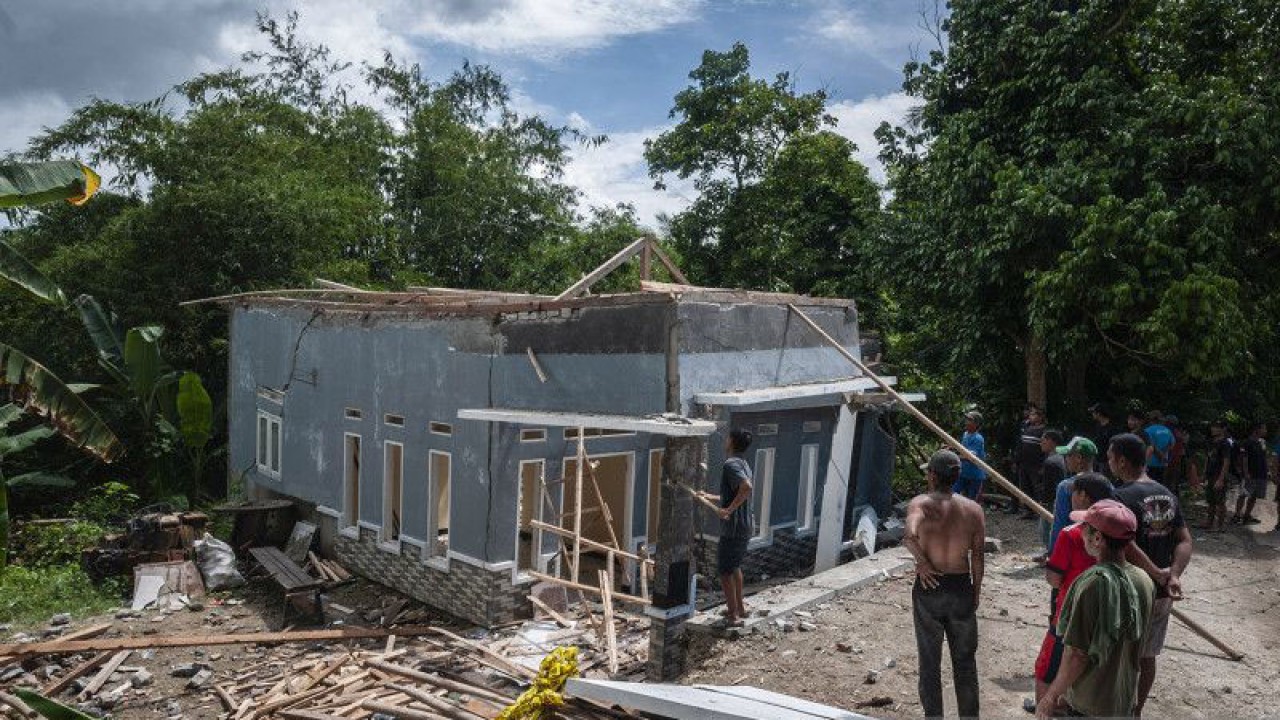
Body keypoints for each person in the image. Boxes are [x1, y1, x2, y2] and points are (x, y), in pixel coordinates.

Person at [1035, 499, 1155, 719]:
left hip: (1090, 704)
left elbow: (1076, 655)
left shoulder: (1092, 583)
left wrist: (1050, 697)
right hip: (1123, 702)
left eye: (1084, 529)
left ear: (1097, 538)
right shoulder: (1144, 580)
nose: (1080, 533)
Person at [1108, 433, 1194, 717]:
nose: (1109, 463)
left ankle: (1114, 708)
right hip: (1161, 593)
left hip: (1131, 590)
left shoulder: (1120, 496)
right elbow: (1184, 540)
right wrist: (1174, 575)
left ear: (1121, 461)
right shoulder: (1166, 494)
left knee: (1118, 655)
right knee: (1148, 655)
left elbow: (1124, 543)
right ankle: (1136, 711)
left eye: (1110, 458)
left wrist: (1158, 573)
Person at [904, 450, 985, 720]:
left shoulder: (921, 504)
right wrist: (976, 590)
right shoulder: (973, 509)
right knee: (965, 663)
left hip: (930, 586)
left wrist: (922, 563)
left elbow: (909, 535)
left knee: (929, 662)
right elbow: (977, 556)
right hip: (961, 585)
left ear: (933, 476)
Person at [1032, 473, 1114, 708]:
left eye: (1074, 493)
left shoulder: (1072, 533)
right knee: (1086, 671)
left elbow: (1054, 579)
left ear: (1083, 496)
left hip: (1069, 614)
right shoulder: (1119, 533)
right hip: (1104, 615)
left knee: (1047, 669)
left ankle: (1046, 709)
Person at [700, 429, 754, 628]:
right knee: (734, 567)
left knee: (724, 571)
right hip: (744, 526)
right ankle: (739, 608)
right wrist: (711, 497)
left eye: (727, 438)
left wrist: (728, 510)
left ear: (731, 441)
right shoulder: (743, 464)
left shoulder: (730, 464)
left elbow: (746, 488)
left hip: (733, 528)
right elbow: (735, 493)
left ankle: (733, 616)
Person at [1048, 436, 1099, 555]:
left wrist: (1053, 553)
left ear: (1079, 458)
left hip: (1073, 546)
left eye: (1068, 455)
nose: (1065, 459)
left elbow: (1060, 522)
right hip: (1097, 547)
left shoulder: (1066, 486)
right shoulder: (1106, 484)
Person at [1036, 429, 1067, 556]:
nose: (1041, 443)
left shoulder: (1052, 462)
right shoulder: (1062, 458)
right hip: (1059, 499)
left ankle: (1052, 554)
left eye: (1044, 440)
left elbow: (1049, 487)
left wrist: (1043, 502)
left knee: (1046, 530)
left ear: (1052, 442)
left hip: (1051, 501)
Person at [1013, 405, 1047, 516]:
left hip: (1036, 464)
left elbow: (1045, 450)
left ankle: (1040, 510)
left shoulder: (1044, 431)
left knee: (1036, 487)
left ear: (1040, 417)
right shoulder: (1026, 429)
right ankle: (1028, 510)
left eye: (1033, 414)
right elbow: (1020, 446)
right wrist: (1016, 461)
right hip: (1023, 463)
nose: (1030, 416)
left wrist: (1043, 465)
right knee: (1025, 487)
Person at [1233, 422, 1268, 525]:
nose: (1265, 431)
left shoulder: (1263, 442)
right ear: (1256, 430)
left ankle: (1247, 516)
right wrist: (1246, 472)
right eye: (1264, 428)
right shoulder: (1247, 442)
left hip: (1261, 473)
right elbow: (1244, 458)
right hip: (1250, 474)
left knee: (1254, 496)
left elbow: (1264, 457)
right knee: (1243, 494)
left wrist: (1268, 470)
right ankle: (1237, 515)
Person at [1201, 420, 1233, 531]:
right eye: (1212, 426)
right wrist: (1204, 473)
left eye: (1216, 427)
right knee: (1210, 500)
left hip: (1219, 474)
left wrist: (1221, 479)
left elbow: (1226, 461)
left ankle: (1221, 525)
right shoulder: (1210, 442)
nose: (1213, 429)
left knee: (1220, 501)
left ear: (1223, 429)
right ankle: (1209, 523)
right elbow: (1207, 458)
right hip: (1210, 474)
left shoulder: (1225, 443)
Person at [954, 411, 987, 500]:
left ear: (976, 424)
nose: (966, 422)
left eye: (970, 420)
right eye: (967, 419)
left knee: (972, 501)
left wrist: (954, 456)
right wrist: (951, 448)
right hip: (964, 473)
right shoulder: (965, 435)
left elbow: (970, 457)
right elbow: (962, 450)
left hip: (975, 475)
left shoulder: (978, 438)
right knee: (953, 493)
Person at [1142, 411, 1175, 483]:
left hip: (1150, 463)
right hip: (1163, 463)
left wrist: (1159, 454)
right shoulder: (1167, 430)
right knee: (1160, 484)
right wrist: (1163, 454)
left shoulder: (1147, 430)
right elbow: (1172, 444)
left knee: (1149, 485)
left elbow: (1150, 444)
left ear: (1151, 419)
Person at [1088, 404, 1120, 476]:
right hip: (1097, 459)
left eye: (1093, 412)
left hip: (1107, 461)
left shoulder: (1112, 428)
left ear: (1099, 414)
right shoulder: (1097, 426)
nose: (1092, 414)